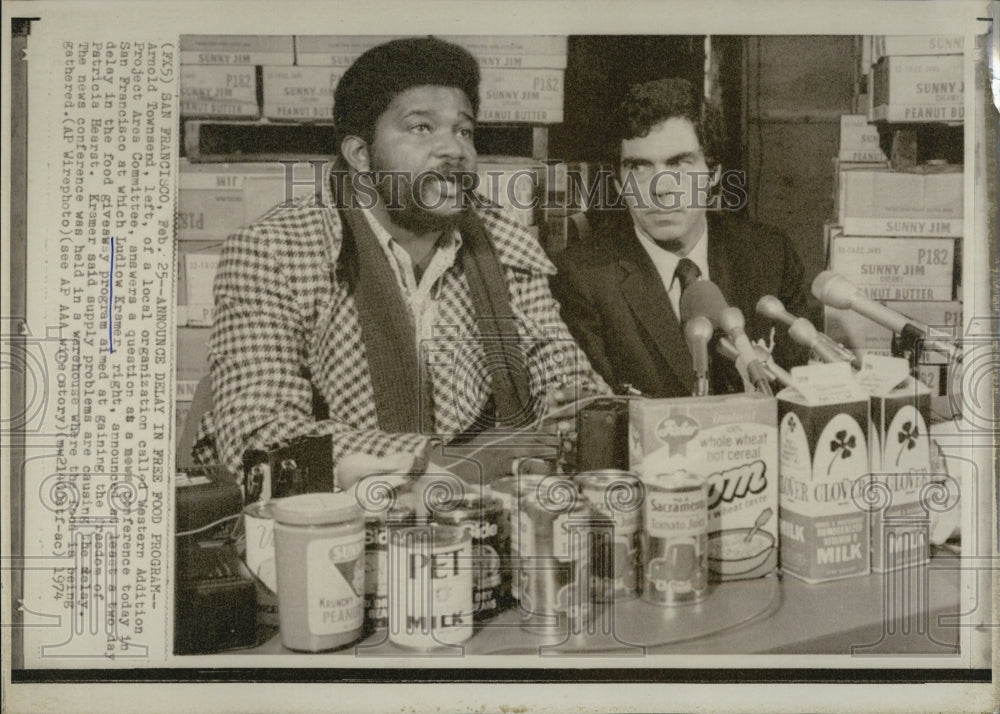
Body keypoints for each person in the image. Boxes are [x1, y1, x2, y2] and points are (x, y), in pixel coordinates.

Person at [193, 37, 606, 485]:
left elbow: (567, 379)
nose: (454, 149)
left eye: (464, 130)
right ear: (361, 155)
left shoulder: (500, 240)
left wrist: (577, 417)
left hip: (488, 518)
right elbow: (257, 439)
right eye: (421, 128)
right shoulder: (273, 253)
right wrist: (448, 461)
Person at [550, 77, 819, 398]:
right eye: (638, 167)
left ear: (714, 173)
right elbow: (599, 414)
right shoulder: (582, 277)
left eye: (679, 164)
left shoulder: (769, 255)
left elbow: (800, 393)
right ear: (620, 182)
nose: (660, 188)